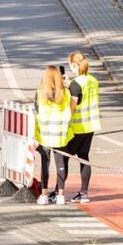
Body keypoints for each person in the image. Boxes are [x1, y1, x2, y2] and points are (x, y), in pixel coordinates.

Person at [34, 66, 73, 206]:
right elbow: (71, 109)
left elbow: (36, 109)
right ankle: (60, 195)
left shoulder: (40, 92)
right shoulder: (65, 93)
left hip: (45, 133)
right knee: (60, 163)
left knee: (45, 164)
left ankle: (44, 195)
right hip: (60, 132)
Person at [66, 51, 101, 203]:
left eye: (71, 67)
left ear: (75, 65)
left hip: (78, 126)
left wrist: (69, 87)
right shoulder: (93, 80)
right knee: (84, 157)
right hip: (91, 124)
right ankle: (84, 193)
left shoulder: (76, 83)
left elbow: (72, 107)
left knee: (63, 157)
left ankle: (57, 190)